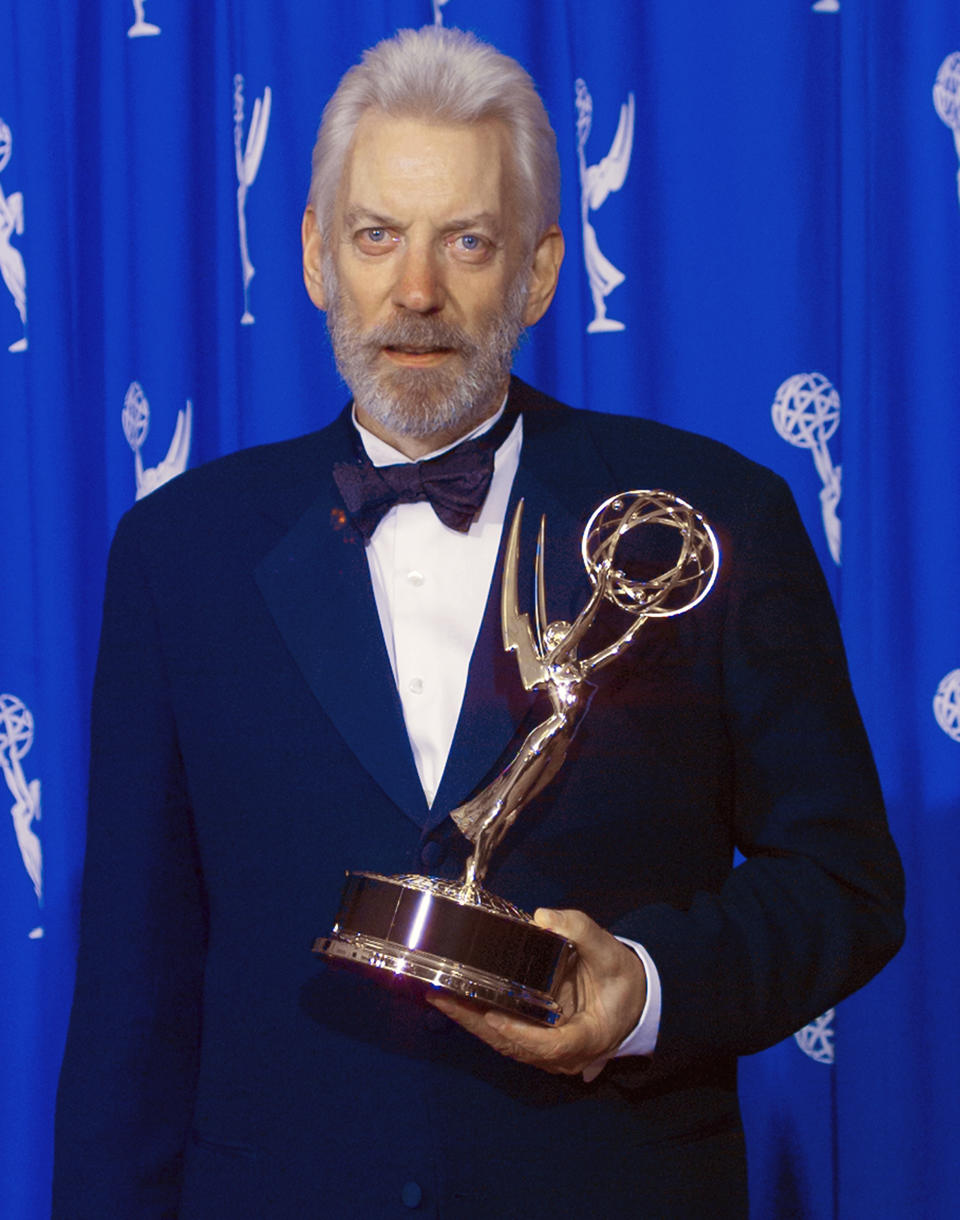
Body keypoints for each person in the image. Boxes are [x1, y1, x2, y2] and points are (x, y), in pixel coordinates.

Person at [53, 26, 904, 1219]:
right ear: (311, 255)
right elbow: (131, 1002)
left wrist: (647, 984)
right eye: (375, 236)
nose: (415, 291)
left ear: (541, 271)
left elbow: (842, 882)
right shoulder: (179, 553)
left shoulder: (709, 520)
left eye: (467, 241)